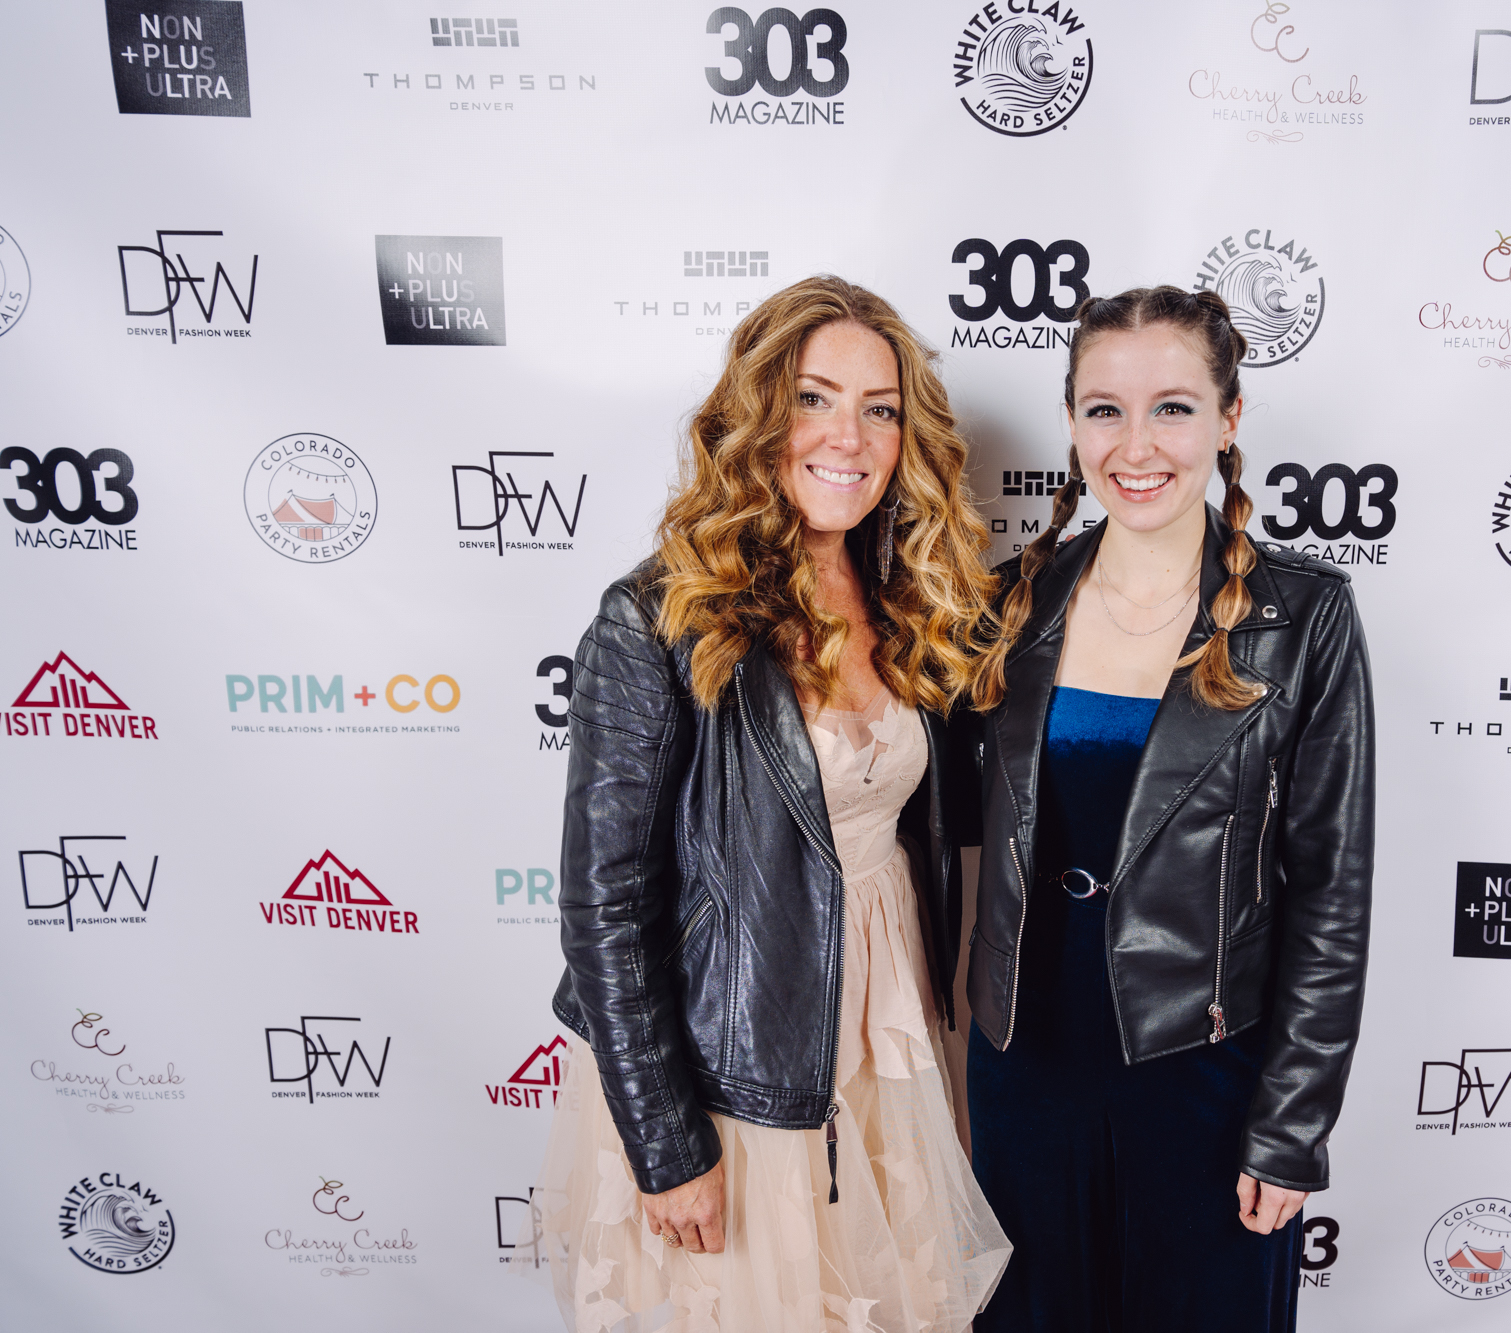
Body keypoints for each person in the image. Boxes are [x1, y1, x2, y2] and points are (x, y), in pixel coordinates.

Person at [535, 276, 1011, 1333]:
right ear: (756, 415)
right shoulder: (656, 616)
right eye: (812, 398)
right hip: (734, 1059)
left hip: (885, 1028)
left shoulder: (907, 594)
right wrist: (667, 1142)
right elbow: (604, 908)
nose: (849, 436)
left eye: (879, 408)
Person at [961, 286, 1375, 1331]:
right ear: (1070, 421)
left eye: (1173, 408)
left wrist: (1290, 1126)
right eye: (1104, 409)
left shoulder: (1302, 617)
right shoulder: (1007, 605)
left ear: (1228, 418)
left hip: (1208, 1078)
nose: (1135, 445)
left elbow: (1331, 895)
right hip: (1023, 1068)